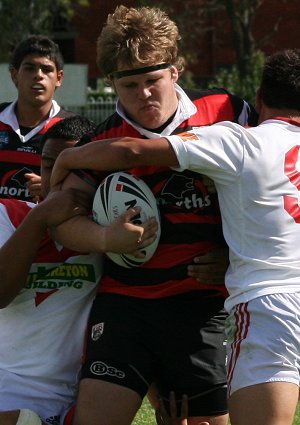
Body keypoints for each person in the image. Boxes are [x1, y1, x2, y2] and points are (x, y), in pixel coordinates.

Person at [51, 48, 300, 425]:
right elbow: (62, 217)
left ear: (176, 71)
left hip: (209, 307)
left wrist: (68, 157)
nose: (144, 94)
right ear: (111, 83)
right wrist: (105, 239)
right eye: (130, 84)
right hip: (126, 305)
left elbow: (132, 152)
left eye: (152, 81)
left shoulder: (231, 120)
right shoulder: (101, 136)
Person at [0, 115, 156, 425]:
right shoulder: (7, 214)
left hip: (76, 398)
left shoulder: (120, 235)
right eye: (48, 166)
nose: (57, 181)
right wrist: (39, 217)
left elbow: (145, 310)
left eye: (70, 170)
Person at [0, 34, 75, 202]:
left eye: (47, 69)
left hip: (45, 227)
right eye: (29, 68)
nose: (38, 75)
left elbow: (86, 189)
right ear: (14, 75)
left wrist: (53, 188)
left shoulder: (74, 132)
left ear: (59, 78)